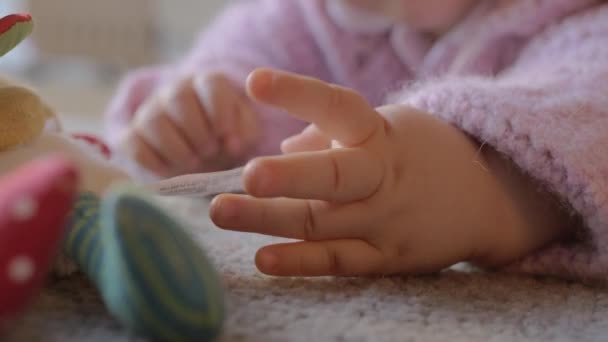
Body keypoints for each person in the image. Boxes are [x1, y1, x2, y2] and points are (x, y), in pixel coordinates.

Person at [104, 0, 608, 281]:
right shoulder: (297, 17)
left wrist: (483, 186)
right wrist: (200, 119)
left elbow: (591, 109)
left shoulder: (581, 20)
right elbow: (233, 64)